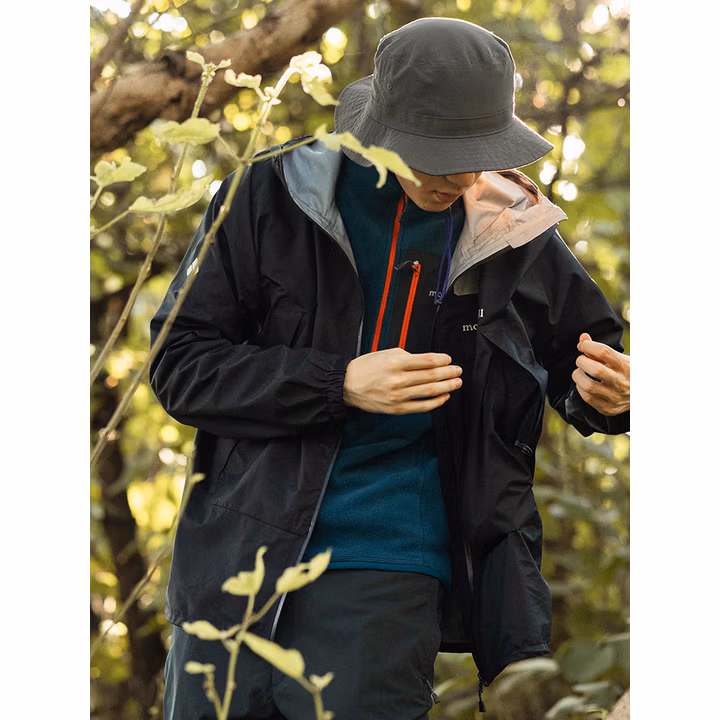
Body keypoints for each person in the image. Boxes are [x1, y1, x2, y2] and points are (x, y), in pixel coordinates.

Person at [151, 17, 630, 720]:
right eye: (440, 154)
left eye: (478, 152)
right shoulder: (266, 194)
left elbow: (589, 357)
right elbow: (180, 364)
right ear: (379, 131)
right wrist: (338, 382)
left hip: (389, 560)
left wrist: (612, 397)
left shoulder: (511, 226)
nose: (462, 176)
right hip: (233, 560)